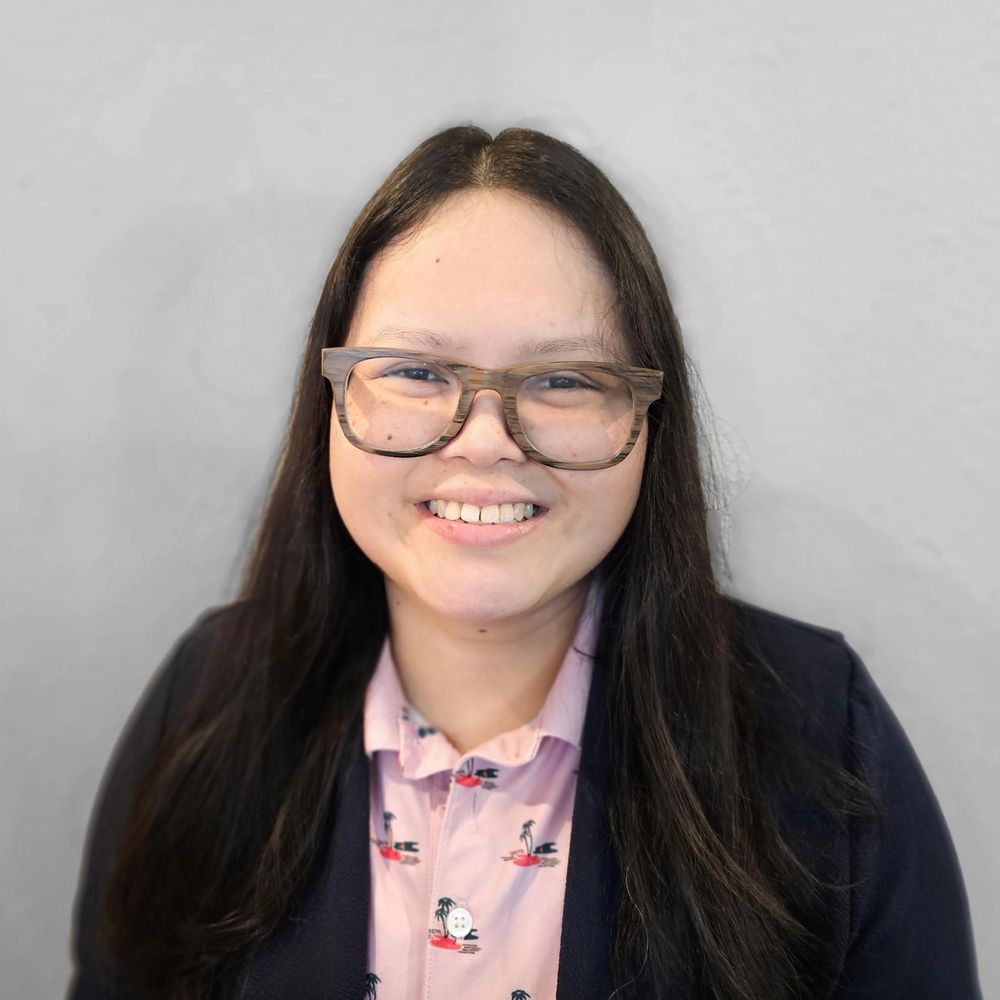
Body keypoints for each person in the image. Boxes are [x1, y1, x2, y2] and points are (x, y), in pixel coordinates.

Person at [66, 125, 983, 1000]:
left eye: (565, 380)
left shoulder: (819, 729)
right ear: (331, 395)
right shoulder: (208, 700)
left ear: (647, 420)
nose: (485, 440)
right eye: (417, 371)